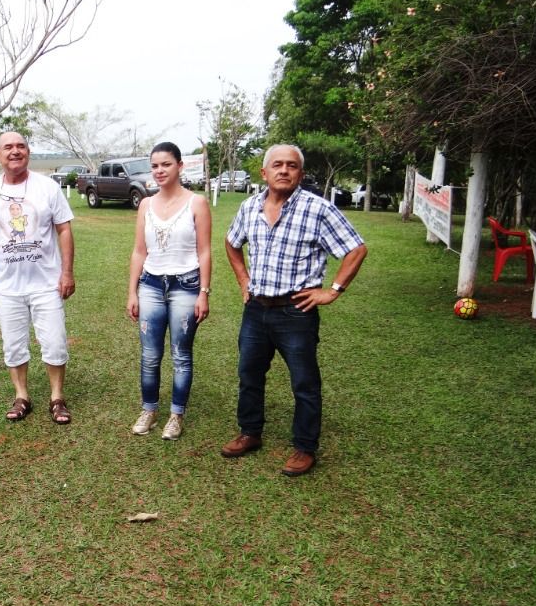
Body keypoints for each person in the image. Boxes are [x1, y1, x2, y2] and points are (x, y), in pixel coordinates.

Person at [221, 144, 367, 476]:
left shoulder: (319, 210)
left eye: (291, 165)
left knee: (304, 382)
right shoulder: (248, 207)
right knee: (249, 375)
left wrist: (332, 290)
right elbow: (231, 242)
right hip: (256, 310)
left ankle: (304, 447)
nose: (284, 170)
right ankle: (250, 432)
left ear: (300, 173)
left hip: (295, 313)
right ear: (264, 173)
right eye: (277, 165)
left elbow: (356, 249)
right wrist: (243, 279)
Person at [0, 132, 76, 424]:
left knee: (54, 342)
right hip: (6, 286)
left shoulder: (47, 188)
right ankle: (21, 396)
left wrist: (67, 272)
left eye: (21, 146)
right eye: (9, 147)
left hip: (46, 283)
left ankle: (57, 397)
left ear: (28, 151)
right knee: (13, 344)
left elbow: (64, 229)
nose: (15, 151)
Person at [126, 142, 212, 440]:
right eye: (154, 166)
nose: (159, 171)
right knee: (150, 355)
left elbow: (204, 252)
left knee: (180, 354)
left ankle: (176, 415)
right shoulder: (146, 204)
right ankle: (149, 410)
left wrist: (204, 292)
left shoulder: (197, 202)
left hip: (185, 287)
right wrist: (132, 292)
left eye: (166, 164)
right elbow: (139, 251)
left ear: (180, 166)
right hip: (150, 285)